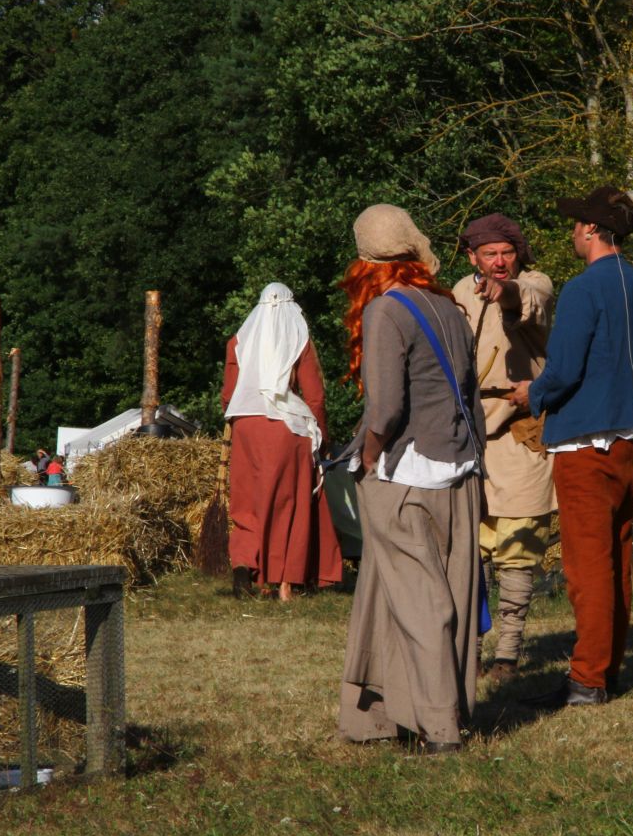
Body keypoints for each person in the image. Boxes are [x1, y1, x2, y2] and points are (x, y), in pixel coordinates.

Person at [508, 185, 633, 706]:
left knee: (587, 568)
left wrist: (532, 393)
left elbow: (563, 372)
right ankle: (606, 671)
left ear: (590, 230)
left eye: (575, 224)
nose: (572, 232)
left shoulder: (582, 290)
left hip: (587, 443)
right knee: (616, 557)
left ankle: (587, 680)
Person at [337, 204, 486, 754]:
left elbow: (385, 411)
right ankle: (377, 717)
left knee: (421, 604)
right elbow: (471, 398)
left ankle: (441, 727)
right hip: (460, 472)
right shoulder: (448, 307)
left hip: (407, 477)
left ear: (365, 264)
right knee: (405, 595)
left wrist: (367, 458)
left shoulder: (385, 311)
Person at [451, 213, 556, 683]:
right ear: (472, 256)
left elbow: (525, 299)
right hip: (467, 440)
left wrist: (504, 291)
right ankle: (469, 652)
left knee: (517, 552)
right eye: (489, 253)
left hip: (520, 439)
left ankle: (508, 656)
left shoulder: (535, 283)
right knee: (468, 554)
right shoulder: (457, 292)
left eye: (507, 252)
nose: (499, 261)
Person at [222, 282, 343, 602]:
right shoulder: (299, 339)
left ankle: (246, 564)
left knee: (248, 502)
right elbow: (315, 396)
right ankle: (285, 583)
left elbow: (228, 395)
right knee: (289, 503)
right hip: (287, 429)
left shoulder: (239, 340)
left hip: (246, 426)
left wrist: (236, 421)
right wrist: (322, 437)